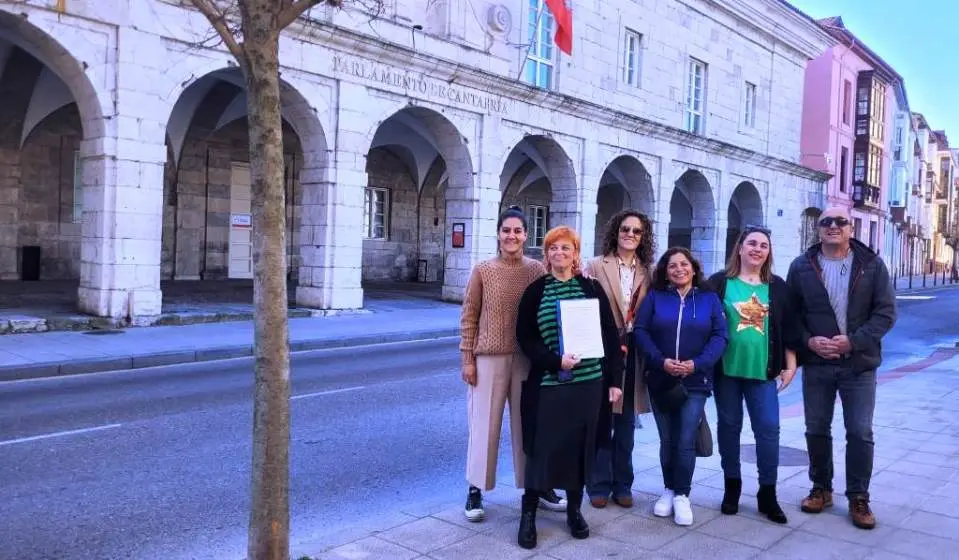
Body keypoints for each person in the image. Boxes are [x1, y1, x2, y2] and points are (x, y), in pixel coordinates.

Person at [786, 206, 896, 530]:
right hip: (818, 365)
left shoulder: (872, 266)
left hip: (858, 365)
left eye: (840, 222)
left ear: (851, 229)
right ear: (819, 229)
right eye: (826, 222)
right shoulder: (801, 267)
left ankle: (859, 497)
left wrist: (853, 341)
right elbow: (790, 315)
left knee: (860, 431)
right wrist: (808, 341)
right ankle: (821, 489)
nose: (833, 226)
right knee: (816, 428)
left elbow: (886, 313)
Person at [515, 226, 624, 549]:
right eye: (553, 249)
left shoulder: (591, 288)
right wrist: (555, 360)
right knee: (542, 449)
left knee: (581, 447)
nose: (559, 254)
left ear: (576, 254)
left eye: (566, 248)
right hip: (550, 383)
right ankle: (529, 514)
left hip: (589, 383)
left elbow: (609, 335)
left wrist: (615, 382)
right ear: (546, 255)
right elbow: (526, 338)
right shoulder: (536, 291)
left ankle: (575, 511)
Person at [459, 206, 567, 523]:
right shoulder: (482, 270)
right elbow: (468, 317)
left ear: (525, 235)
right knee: (483, 427)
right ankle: (476, 489)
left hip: (525, 359)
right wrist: (467, 359)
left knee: (530, 427)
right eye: (506, 230)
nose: (512, 236)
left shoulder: (536, 270)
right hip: (488, 359)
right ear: (498, 233)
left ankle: (536, 486)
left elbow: (557, 295)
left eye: (518, 231)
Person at [707, 225, 798, 524]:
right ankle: (732, 486)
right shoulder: (720, 283)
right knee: (729, 428)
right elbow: (702, 319)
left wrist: (791, 362)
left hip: (763, 372)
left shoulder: (778, 286)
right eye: (752, 243)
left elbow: (788, 327)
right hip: (727, 372)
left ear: (768, 252)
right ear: (740, 248)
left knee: (769, 429)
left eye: (763, 245)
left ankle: (767, 493)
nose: (757, 249)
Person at [634, 247, 727, 526]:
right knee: (667, 438)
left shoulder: (709, 299)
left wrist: (696, 364)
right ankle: (668, 489)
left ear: (694, 268)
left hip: (695, 380)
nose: (678, 269)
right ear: (665, 271)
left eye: (684, 264)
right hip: (662, 378)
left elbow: (720, 336)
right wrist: (660, 361)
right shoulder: (655, 297)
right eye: (672, 266)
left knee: (686, 437)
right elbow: (640, 331)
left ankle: (682, 495)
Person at [583, 210, 654, 509]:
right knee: (600, 420)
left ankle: (623, 483)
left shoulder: (650, 271)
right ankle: (597, 484)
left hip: (634, 351)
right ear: (616, 231)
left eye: (637, 231)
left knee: (626, 422)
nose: (630, 234)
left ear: (643, 237)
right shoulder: (597, 265)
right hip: (603, 349)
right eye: (625, 228)